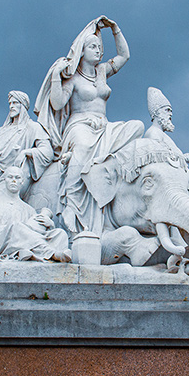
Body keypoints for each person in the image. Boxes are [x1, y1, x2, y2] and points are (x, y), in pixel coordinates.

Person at [34, 16, 144, 236]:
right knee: (83, 147)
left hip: (104, 127)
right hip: (80, 125)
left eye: (99, 47)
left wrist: (115, 29)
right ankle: (72, 205)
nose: (98, 50)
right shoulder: (73, 78)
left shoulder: (102, 71)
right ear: (82, 51)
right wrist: (56, 76)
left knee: (138, 127)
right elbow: (57, 104)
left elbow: (124, 56)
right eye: (92, 46)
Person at [0, 166, 71, 263]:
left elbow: (36, 232)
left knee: (60, 233)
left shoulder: (28, 209)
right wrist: (7, 230)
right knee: (16, 227)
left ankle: (31, 253)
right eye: (10, 177)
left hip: (28, 242)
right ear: (4, 180)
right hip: (3, 245)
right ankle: (50, 253)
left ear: (22, 182)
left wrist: (49, 225)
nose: (14, 180)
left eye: (17, 177)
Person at [0, 90, 54, 204]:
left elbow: (48, 151)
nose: (11, 106)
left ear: (23, 105)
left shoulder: (32, 127)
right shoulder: (0, 131)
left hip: (11, 176)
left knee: (1, 204)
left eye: (15, 103)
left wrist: (26, 152)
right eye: (10, 103)